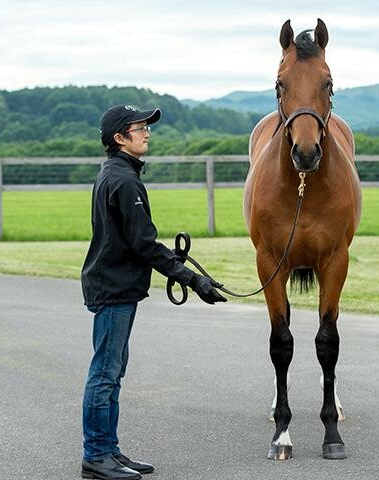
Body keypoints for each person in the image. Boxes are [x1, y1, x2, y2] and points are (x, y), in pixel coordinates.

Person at [80, 104, 227, 480]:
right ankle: (96, 456)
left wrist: (182, 271)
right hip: (114, 288)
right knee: (105, 373)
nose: (147, 132)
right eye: (139, 127)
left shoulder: (116, 173)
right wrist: (193, 279)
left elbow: (137, 242)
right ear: (119, 138)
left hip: (116, 284)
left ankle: (109, 451)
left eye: (147, 127)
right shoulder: (124, 181)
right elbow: (144, 244)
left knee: (113, 371)